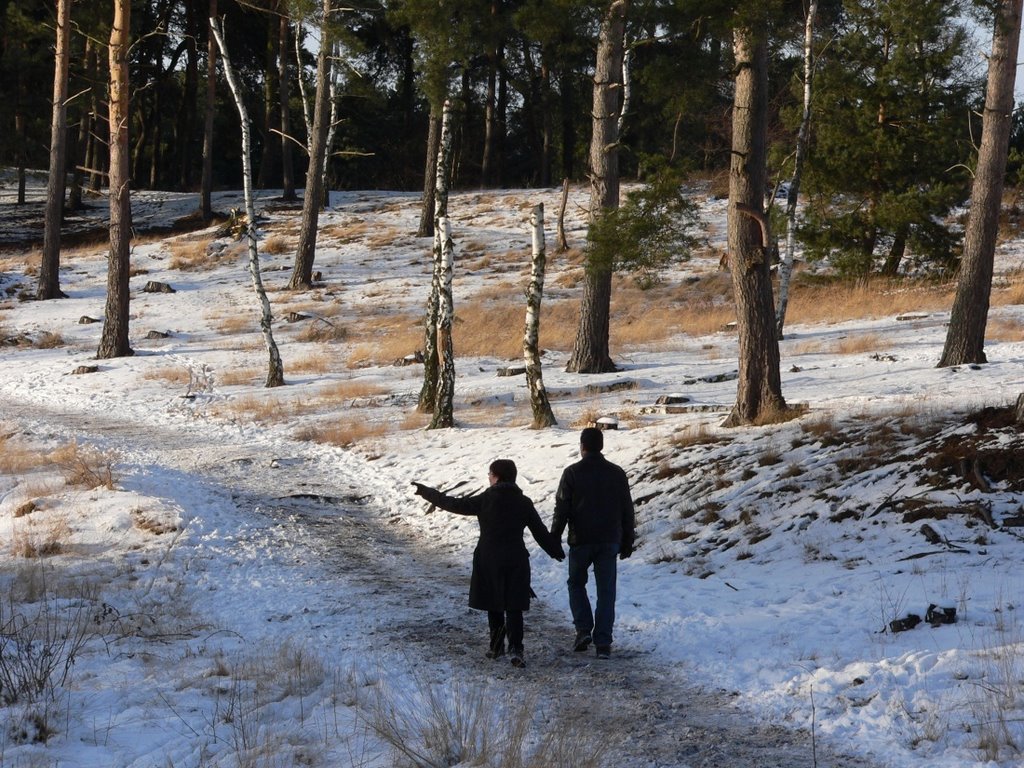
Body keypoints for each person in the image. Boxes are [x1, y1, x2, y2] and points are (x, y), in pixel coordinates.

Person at [412, 459, 564, 668]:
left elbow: (454, 504)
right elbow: (539, 532)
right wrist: (555, 551)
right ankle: (516, 649)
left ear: (497, 476)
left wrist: (427, 492)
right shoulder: (523, 502)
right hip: (516, 558)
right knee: (514, 606)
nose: (489, 478)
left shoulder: (486, 499)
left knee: (494, 603)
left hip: (489, 558)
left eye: (490, 474)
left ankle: (496, 647)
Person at [551, 427, 635, 660]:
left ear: (582, 446)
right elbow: (627, 508)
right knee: (606, 591)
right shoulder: (617, 473)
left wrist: (554, 538)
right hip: (609, 539)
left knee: (576, 584)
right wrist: (628, 539)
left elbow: (562, 509)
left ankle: (583, 629)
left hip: (581, 539)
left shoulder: (572, 473)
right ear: (601, 445)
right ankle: (603, 643)